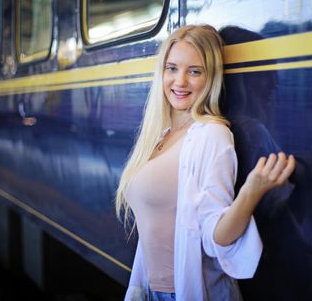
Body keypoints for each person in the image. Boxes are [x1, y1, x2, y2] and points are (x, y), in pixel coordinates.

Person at [115, 24, 296, 300]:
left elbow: (217, 238)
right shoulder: (160, 136)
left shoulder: (212, 134)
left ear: (210, 77)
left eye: (194, 71)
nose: (180, 81)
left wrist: (251, 190)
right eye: (172, 68)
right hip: (150, 291)